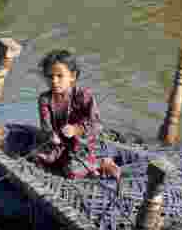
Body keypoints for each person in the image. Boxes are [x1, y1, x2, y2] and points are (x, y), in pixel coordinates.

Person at [35, 49, 120, 180]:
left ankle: (101, 161)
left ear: (72, 76)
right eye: (50, 76)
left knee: (73, 172)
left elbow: (96, 125)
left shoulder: (83, 95)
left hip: (83, 144)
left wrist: (76, 129)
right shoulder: (44, 99)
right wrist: (51, 135)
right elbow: (46, 126)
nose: (54, 81)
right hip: (59, 145)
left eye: (59, 76)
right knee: (39, 158)